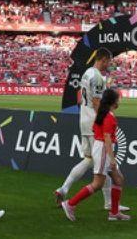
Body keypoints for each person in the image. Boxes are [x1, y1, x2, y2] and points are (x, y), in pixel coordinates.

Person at [56, 47, 118, 212]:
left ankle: (64, 189)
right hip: (92, 122)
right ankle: (108, 204)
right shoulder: (97, 77)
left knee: (89, 159)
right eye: (109, 61)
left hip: (83, 119)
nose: (109, 65)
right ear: (103, 59)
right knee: (102, 164)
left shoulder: (87, 72)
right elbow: (97, 101)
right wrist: (102, 120)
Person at [61, 88, 128, 221]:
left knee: (118, 179)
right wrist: (112, 158)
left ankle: (114, 213)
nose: (119, 100)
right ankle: (70, 204)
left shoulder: (103, 115)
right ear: (113, 102)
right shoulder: (109, 116)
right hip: (103, 150)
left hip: (101, 148)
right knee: (97, 183)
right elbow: (107, 137)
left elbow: (95, 129)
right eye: (118, 98)